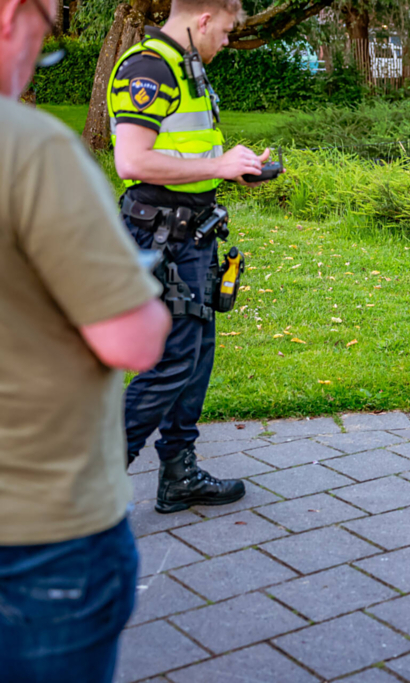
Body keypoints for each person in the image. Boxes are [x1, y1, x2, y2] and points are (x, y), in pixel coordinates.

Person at [0, 0, 171, 677]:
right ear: (12, 12)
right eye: (52, 28)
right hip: (38, 533)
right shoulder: (29, 147)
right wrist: (145, 296)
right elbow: (131, 343)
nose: (46, 49)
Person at [108, 0, 271, 513]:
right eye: (224, 31)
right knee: (173, 358)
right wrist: (216, 164)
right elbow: (131, 159)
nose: (226, 41)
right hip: (162, 235)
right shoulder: (149, 66)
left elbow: (185, 151)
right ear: (203, 19)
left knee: (195, 354)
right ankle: (87, 483)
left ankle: (179, 474)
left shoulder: (187, 67)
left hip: (193, 235)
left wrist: (230, 166)